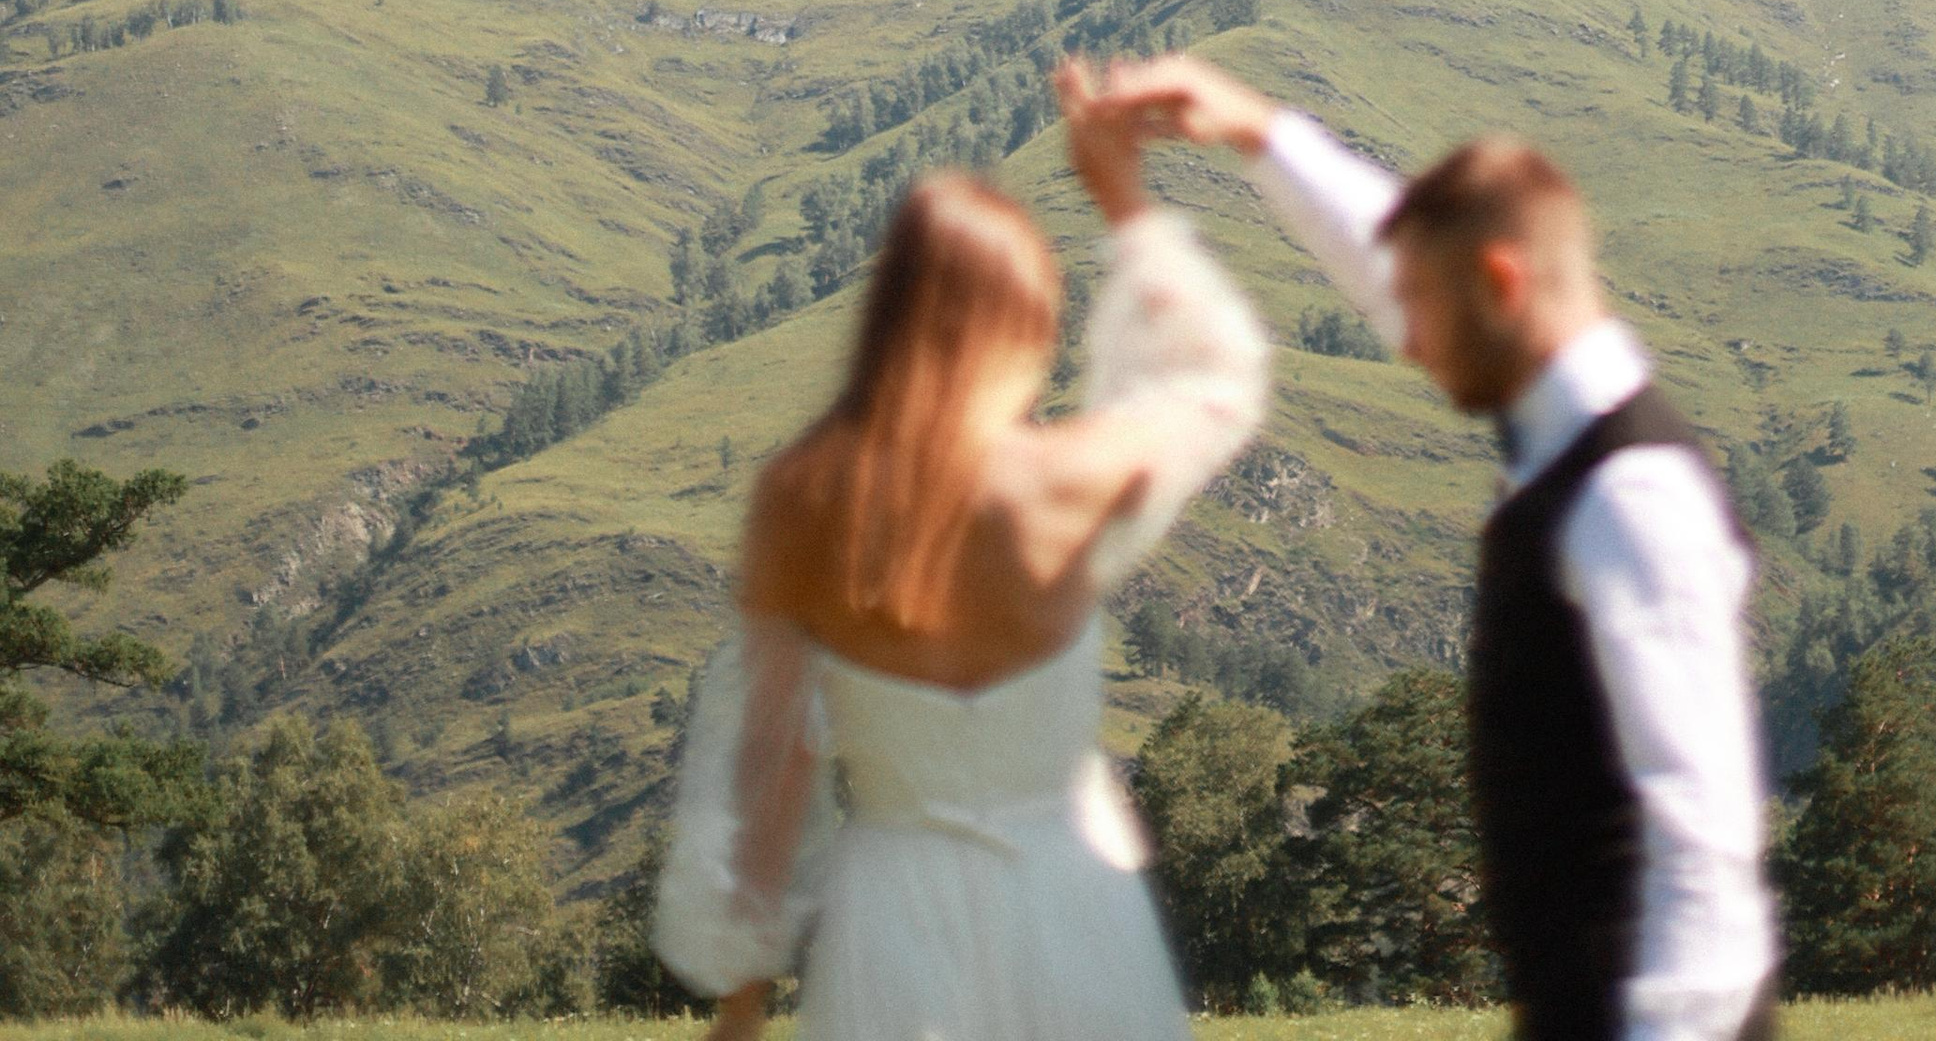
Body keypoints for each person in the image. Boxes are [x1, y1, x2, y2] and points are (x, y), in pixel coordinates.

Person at [1097, 54, 1777, 1041]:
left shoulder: (1631, 496)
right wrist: (1257, 132)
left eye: (1417, 306)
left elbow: (1699, 827)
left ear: (1501, 283)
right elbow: (1403, 264)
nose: (1406, 339)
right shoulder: (1565, 438)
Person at [652, 61, 1268, 1041]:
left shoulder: (803, 501)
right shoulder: (1072, 479)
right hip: (1076, 909)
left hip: (891, 927)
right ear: (1024, 322)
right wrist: (1123, 200)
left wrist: (743, 999)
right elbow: (1220, 378)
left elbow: (771, 762)